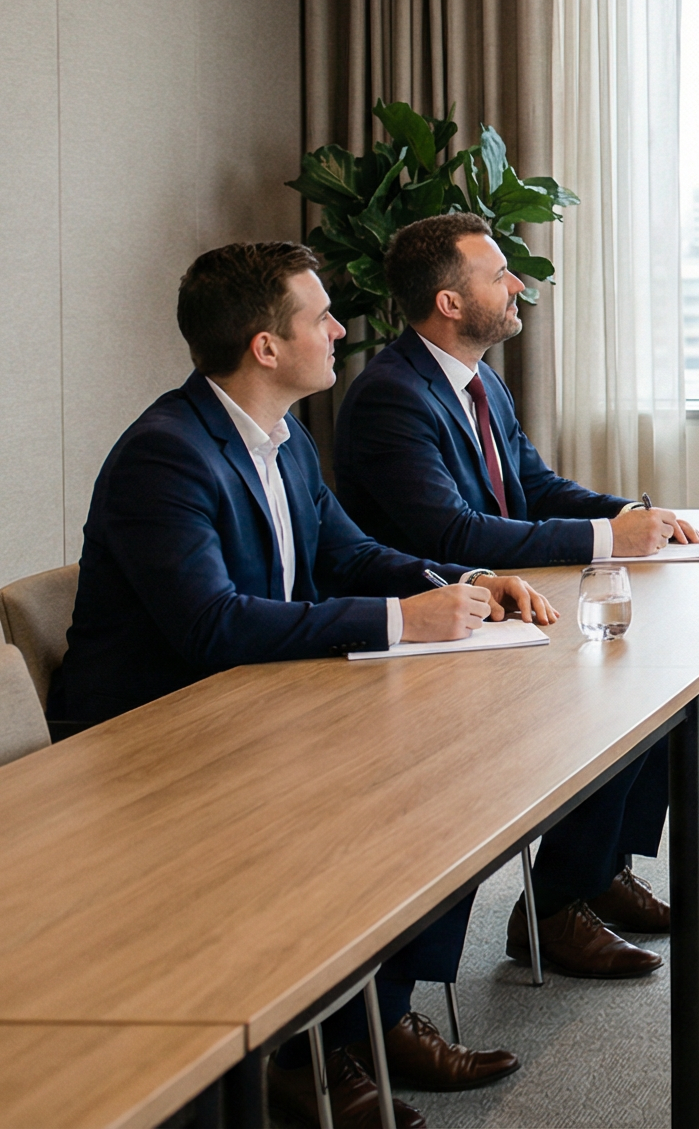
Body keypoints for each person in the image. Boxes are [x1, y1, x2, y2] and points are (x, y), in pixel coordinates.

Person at [47, 243, 551, 1129]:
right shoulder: (167, 455)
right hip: (148, 746)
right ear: (266, 348)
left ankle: (371, 1020)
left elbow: (347, 554)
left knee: (455, 778)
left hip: (261, 709)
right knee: (397, 795)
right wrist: (402, 623)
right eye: (319, 315)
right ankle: (296, 1052)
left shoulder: (284, 443)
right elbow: (213, 625)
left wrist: (461, 585)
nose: (340, 329)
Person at [334, 212, 699, 984]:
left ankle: (590, 876)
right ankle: (555, 909)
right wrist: (608, 543)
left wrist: (637, 518)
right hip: (432, 634)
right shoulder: (389, 398)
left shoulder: (478, 381)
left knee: (659, 678)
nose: (517, 287)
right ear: (448, 301)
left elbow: (532, 488)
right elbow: (458, 532)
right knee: (616, 695)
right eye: (498, 274)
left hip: (506, 611)